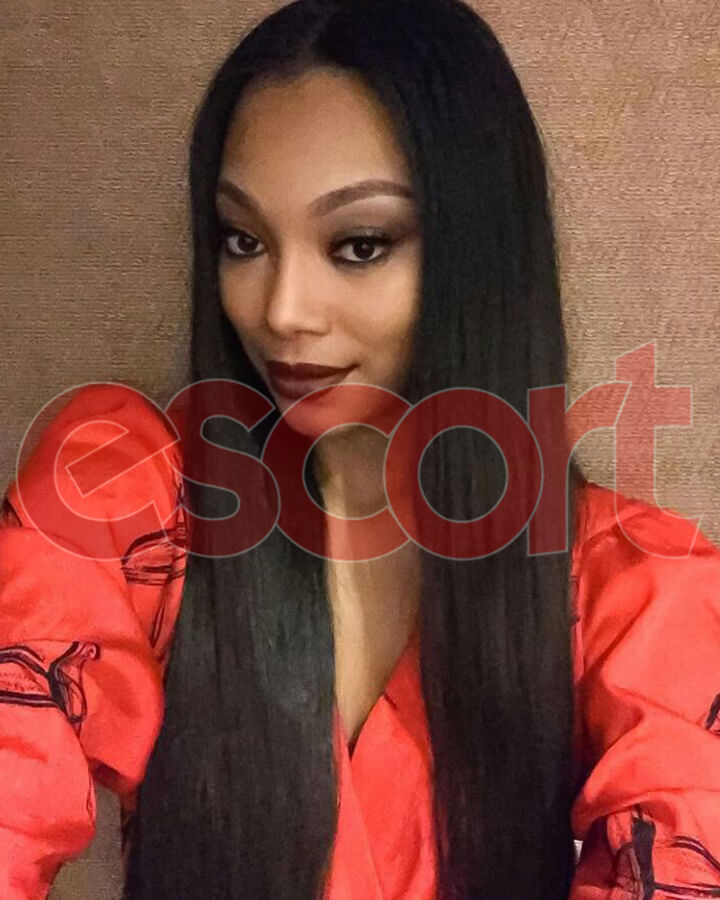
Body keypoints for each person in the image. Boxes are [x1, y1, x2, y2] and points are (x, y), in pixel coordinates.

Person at [1, 0, 719, 898]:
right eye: (244, 240)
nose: (281, 310)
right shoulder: (128, 498)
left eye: (359, 245)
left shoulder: (637, 596)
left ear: (478, 253)